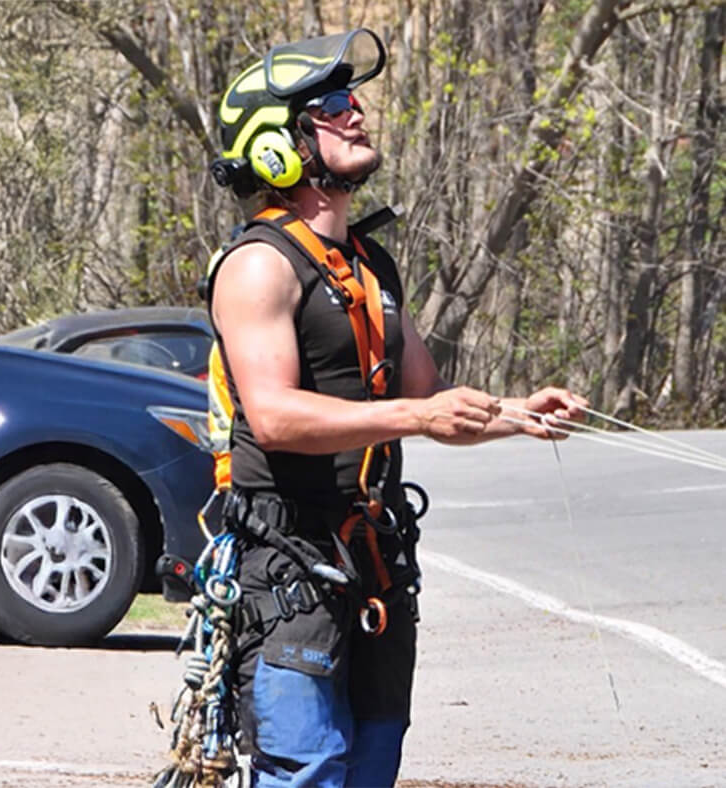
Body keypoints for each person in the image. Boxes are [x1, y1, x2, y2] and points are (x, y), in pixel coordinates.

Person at [206, 29, 587, 787]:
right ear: (279, 144)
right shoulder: (256, 267)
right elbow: (277, 416)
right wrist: (418, 420)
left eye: (355, 102)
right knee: (307, 771)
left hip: (374, 565)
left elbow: (421, 398)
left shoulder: (371, 264)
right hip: (287, 571)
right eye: (335, 106)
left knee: (373, 769)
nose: (358, 116)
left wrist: (520, 412)